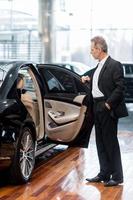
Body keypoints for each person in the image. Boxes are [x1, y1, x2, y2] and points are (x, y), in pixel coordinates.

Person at [82, 36, 128, 187]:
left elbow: (120, 88)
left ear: (100, 49)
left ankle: (117, 176)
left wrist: (108, 104)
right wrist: (87, 80)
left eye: (92, 49)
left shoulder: (115, 65)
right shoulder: (98, 67)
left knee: (110, 143)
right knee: (100, 142)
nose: (91, 52)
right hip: (96, 107)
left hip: (107, 107)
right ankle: (104, 173)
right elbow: (97, 84)